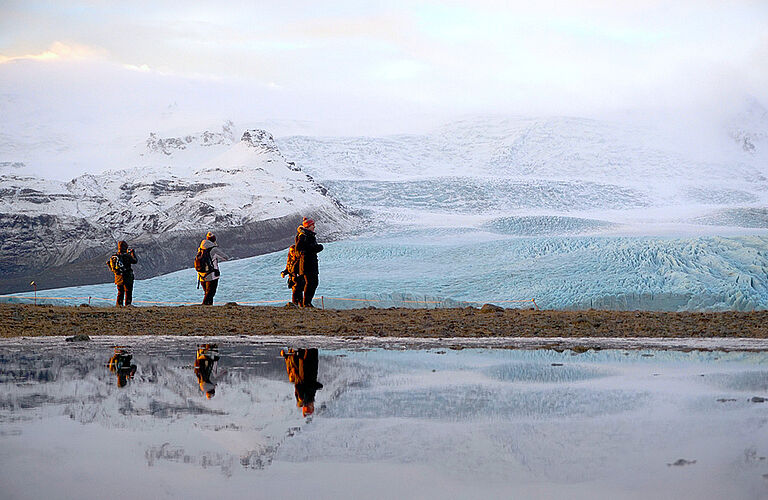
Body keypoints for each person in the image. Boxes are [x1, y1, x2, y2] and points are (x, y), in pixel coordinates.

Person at [280, 348, 323, 416]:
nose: (313, 405)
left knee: (310, 350)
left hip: (307, 366)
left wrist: (317, 386)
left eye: (312, 407)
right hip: (307, 365)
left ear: (309, 407)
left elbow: (301, 385)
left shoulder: (305, 397)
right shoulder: (307, 397)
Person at [294, 218, 323, 308]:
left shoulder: (308, 235)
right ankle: (306, 303)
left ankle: (307, 303)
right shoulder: (304, 235)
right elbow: (299, 248)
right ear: (308, 226)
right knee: (311, 283)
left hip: (310, 264)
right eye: (312, 225)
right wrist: (316, 248)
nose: (314, 226)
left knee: (313, 283)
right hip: (307, 264)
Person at [196, 232, 229, 305]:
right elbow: (225, 257)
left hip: (201, 275)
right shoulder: (213, 249)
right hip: (212, 275)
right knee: (210, 294)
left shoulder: (200, 248)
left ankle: (209, 309)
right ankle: (204, 307)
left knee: (207, 293)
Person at [107, 241, 137, 307]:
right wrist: (132, 253)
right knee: (128, 291)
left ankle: (119, 305)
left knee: (120, 292)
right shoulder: (127, 256)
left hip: (118, 277)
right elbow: (135, 261)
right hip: (127, 277)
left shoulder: (115, 256)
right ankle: (128, 305)